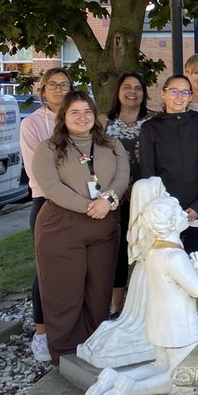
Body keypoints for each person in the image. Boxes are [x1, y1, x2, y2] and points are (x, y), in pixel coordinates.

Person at [80, 193, 198, 395]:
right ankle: (131, 388)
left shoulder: (153, 251)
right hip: (179, 329)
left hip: (157, 325)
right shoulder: (175, 257)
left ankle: (115, 378)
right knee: (183, 378)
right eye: (178, 212)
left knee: (160, 365)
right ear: (170, 223)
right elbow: (197, 289)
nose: (182, 214)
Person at [30, 91, 129, 362]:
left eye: (87, 111)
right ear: (64, 116)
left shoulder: (112, 145)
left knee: (98, 290)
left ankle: (93, 343)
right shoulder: (48, 148)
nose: (82, 117)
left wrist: (107, 201)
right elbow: (50, 186)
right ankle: (65, 351)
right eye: (74, 112)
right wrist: (90, 206)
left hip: (105, 225)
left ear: (94, 115)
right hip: (62, 225)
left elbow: (122, 177)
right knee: (65, 290)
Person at [19, 66, 73, 362]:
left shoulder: (78, 119)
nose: (59, 90)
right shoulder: (32, 124)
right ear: (43, 90)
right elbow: (36, 171)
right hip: (47, 204)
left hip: (78, 203)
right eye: (53, 85)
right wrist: (67, 195)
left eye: (64, 85)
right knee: (46, 271)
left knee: (74, 271)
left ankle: (71, 329)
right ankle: (41, 333)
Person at [138, 75, 198, 255]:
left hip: (196, 210)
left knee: (193, 265)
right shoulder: (150, 128)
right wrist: (166, 208)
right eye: (174, 91)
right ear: (164, 94)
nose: (179, 96)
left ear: (190, 97)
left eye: (185, 92)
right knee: (165, 268)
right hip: (164, 212)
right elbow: (149, 175)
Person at [100, 71, 151, 319]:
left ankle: (147, 304)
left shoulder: (154, 121)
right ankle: (116, 307)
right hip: (113, 198)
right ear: (118, 92)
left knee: (148, 250)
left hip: (146, 197)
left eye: (138, 88)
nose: (132, 92)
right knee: (116, 252)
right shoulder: (103, 123)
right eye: (127, 87)